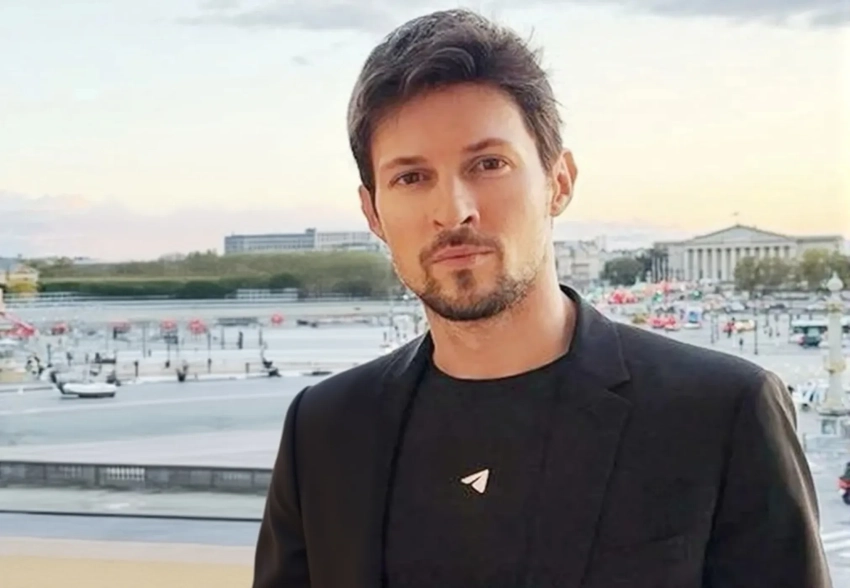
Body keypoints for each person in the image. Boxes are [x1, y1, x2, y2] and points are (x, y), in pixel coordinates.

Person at [254, 9, 830, 588]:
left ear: (559, 182)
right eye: (411, 177)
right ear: (373, 213)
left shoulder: (722, 413)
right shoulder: (324, 431)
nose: (453, 211)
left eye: (488, 164)